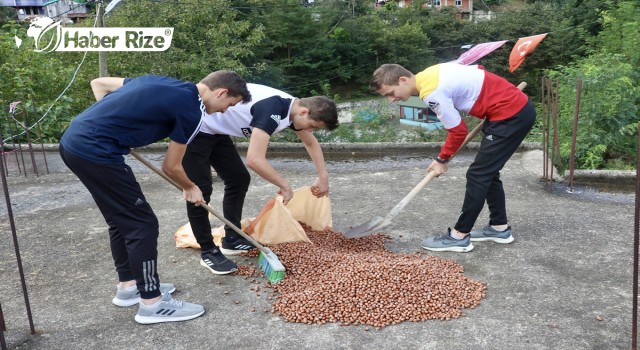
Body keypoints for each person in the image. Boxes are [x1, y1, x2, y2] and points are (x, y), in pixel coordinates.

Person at [59, 71, 251, 324]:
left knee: (121, 220)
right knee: (142, 225)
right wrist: (190, 186)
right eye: (230, 105)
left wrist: (113, 127)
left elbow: (100, 84)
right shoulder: (192, 111)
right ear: (221, 92)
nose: (226, 111)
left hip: (74, 141)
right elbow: (171, 167)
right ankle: (152, 303)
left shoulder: (161, 81)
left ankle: (129, 287)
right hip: (96, 152)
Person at [370, 62, 536, 253]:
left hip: (510, 116)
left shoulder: (431, 92)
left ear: (403, 79)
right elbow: (477, 69)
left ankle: (459, 236)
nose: (391, 100)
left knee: (478, 175)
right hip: (507, 112)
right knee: (487, 172)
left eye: (390, 93)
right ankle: (499, 228)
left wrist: (442, 160)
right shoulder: (430, 72)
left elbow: (458, 131)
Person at [182, 83, 339, 274]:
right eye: (313, 126)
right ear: (304, 112)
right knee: (199, 189)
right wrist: (284, 185)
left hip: (217, 130)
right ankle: (208, 251)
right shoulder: (272, 109)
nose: (311, 130)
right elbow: (254, 159)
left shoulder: (294, 111)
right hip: (196, 127)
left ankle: (231, 239)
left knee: (238, 179)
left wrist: (323, 177)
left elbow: (310, 143)